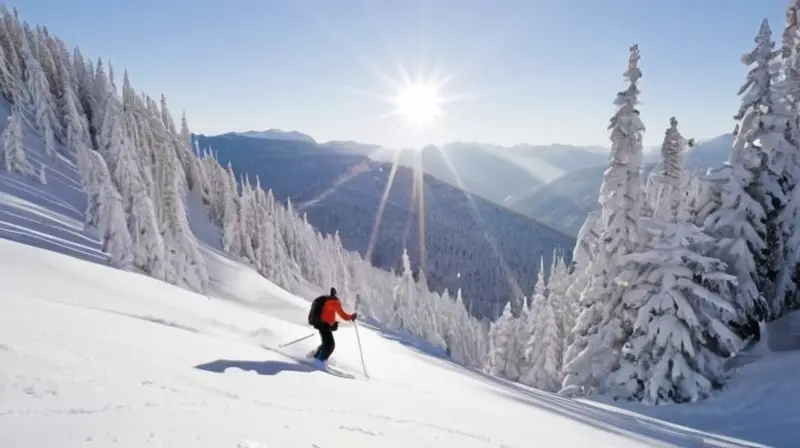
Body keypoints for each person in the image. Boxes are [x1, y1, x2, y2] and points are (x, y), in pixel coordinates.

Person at [308, 287, 357, 367]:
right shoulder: (334, 302)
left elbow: (340, 314)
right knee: (330, 345)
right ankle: (319, 362)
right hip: (323, 324)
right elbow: (343, 315)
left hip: (322, 324)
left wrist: (350, 317)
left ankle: (316, 357)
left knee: (326, 344)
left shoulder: (328, 301)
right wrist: (351, 317)